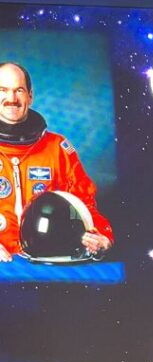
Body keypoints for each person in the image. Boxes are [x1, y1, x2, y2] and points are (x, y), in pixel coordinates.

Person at [0, 62, 113, 261]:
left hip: (49, 261)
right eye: (3, 90)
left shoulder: (57, 148)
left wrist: (102, 236)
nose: (11, 99)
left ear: (30, 96)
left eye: (19, 90)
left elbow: (84, 204)